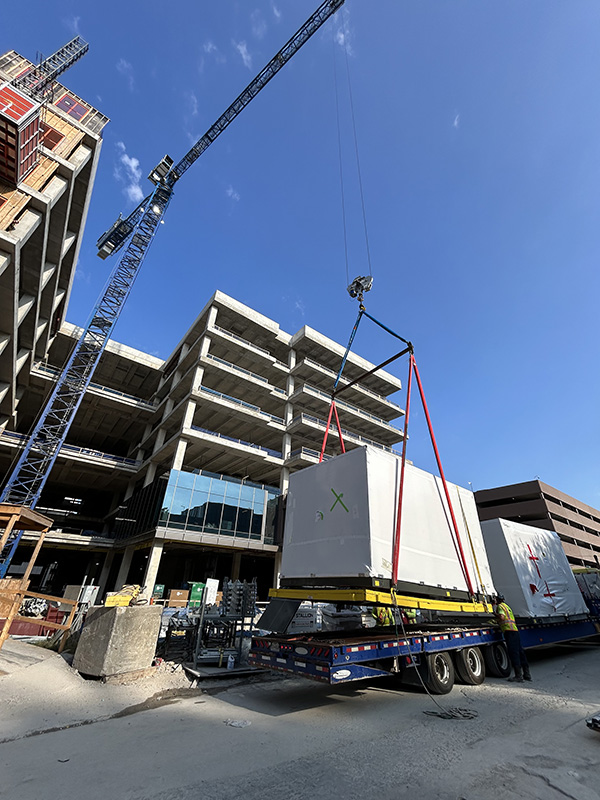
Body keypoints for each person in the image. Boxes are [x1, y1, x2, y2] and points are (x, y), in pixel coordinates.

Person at [493, 594, 531, 683]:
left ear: (498, 600)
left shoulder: (499, 607)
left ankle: (518, 676)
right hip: (514, 630)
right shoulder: (507, 606)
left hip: (508, 631)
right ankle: (527, 674)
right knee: (520, 652)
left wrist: (495, 614)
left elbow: (502, 617)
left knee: (513, 652)